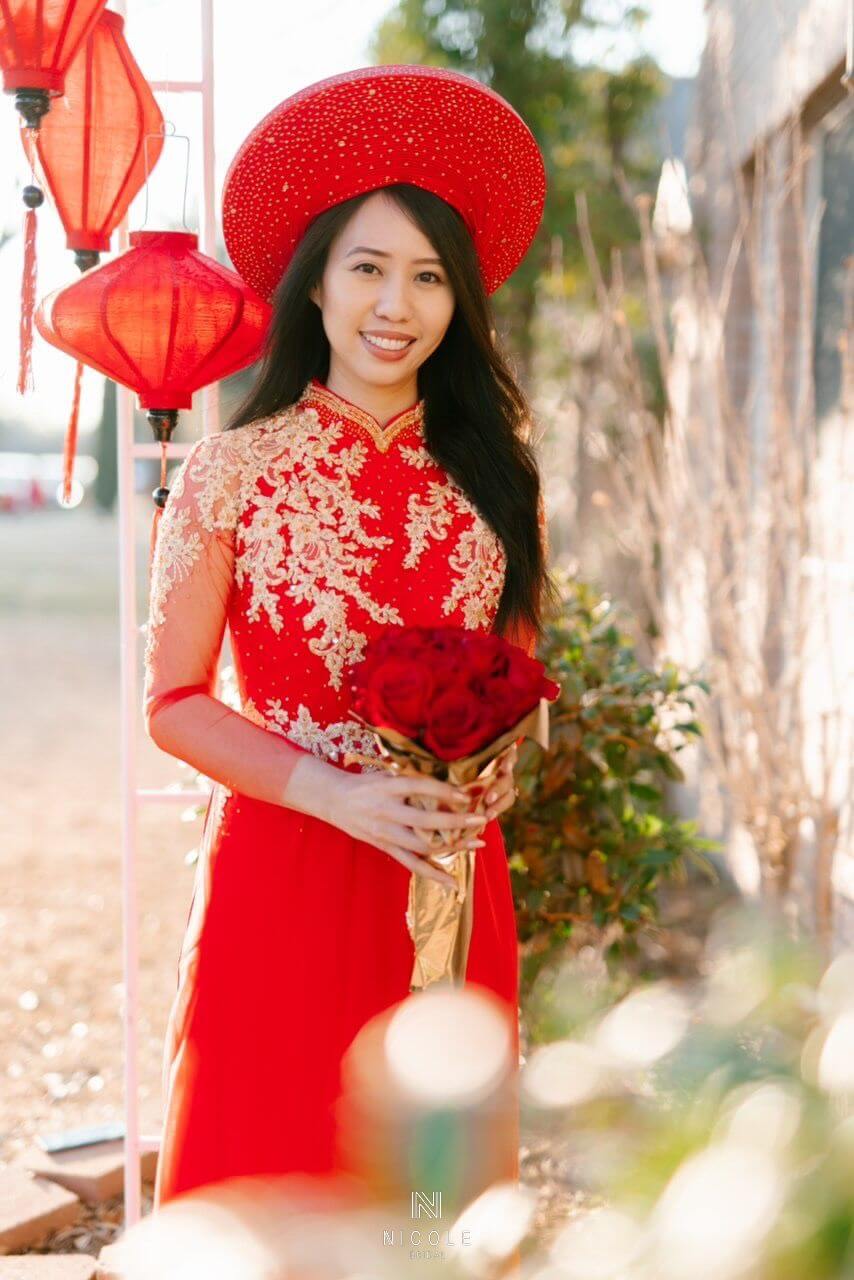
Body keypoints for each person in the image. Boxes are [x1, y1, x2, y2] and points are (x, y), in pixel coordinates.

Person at [144, 64, 556, 1209]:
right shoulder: (231, 470)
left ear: (458, 301)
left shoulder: (494, 477)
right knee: (270, 1177)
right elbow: (171, 701)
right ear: (313, 285)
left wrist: (486, 777)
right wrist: (333, 792)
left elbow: (511, 679)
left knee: (431, 1195)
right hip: (283, 869)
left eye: (427, 277)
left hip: (445, 878)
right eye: (367, 267)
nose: (396, 303)